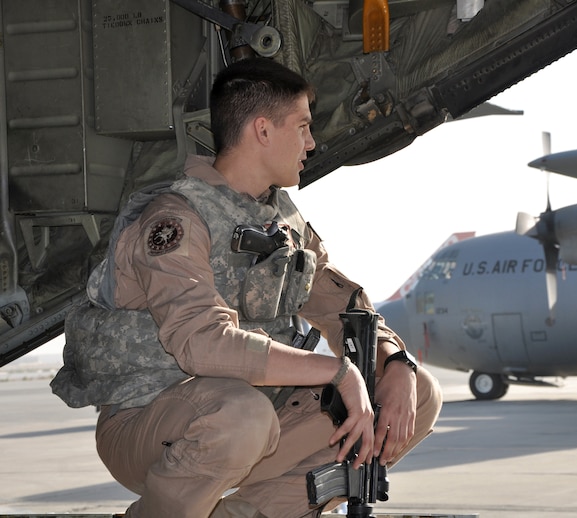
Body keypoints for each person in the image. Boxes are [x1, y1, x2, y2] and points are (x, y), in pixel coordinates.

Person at [51, 57, 442, 518]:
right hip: (151, 421)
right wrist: (335, 371)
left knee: (417, 392)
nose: (311, 143)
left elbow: (343, 306)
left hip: (256, 416)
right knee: (241, 417)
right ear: (262, 131)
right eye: (302, 127)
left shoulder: (282, 222)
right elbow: (201, 342)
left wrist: (394, 360)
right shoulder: (175, 219)